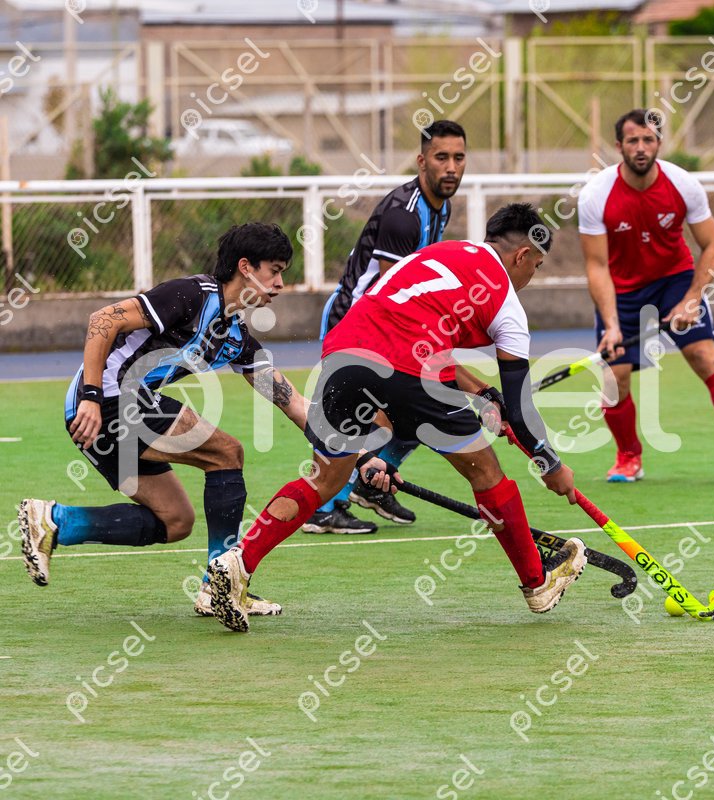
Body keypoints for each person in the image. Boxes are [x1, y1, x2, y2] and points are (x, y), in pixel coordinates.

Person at [208, 203, 587, 633]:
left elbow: (408, 328)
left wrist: (482, 394)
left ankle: (238, 563)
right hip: (412, 370)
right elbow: (519, 410)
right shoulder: (506, 302)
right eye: (536, 266)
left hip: (343, 357)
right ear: (522, 255)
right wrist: (551, 465)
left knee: (324, 479)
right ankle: (537, 582)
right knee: (486, 473)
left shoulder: (441, 254)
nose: (532, 276)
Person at [17, 222, 308, 617]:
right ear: (245, 267)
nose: (280, 284)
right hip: (109, 399)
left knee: (175, 521)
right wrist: (91, 397)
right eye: (274, 271)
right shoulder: (191, 295)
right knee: (227, 453)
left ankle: (56, 521)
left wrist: (347, 454)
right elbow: (103, 320)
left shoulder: (235, 337)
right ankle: (221, 585)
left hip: (115, 407)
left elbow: (292, 402)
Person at [578, 108, 714, 484]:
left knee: (703, 356)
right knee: (614, 377)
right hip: (622, 288)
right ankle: (628, 457)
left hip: (674, 279)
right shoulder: (595, 195)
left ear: (659, 143)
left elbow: (713, 246)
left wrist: (692, 297)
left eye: (648, 140)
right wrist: (612, 325)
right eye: (633, 140)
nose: (641, 147)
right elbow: (597, 266)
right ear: (619, 146)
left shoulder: (683, 185)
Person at [306, 119, 468, 534]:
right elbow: (389, 291)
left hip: (389, 325)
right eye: (442, 157)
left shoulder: (441, 206)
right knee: (359, 416)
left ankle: (369, 484)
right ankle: (323, 508)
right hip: (357, 323)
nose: (451, 167)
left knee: (417, 412)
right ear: (421, 161)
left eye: (459, 157)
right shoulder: (404, 216)